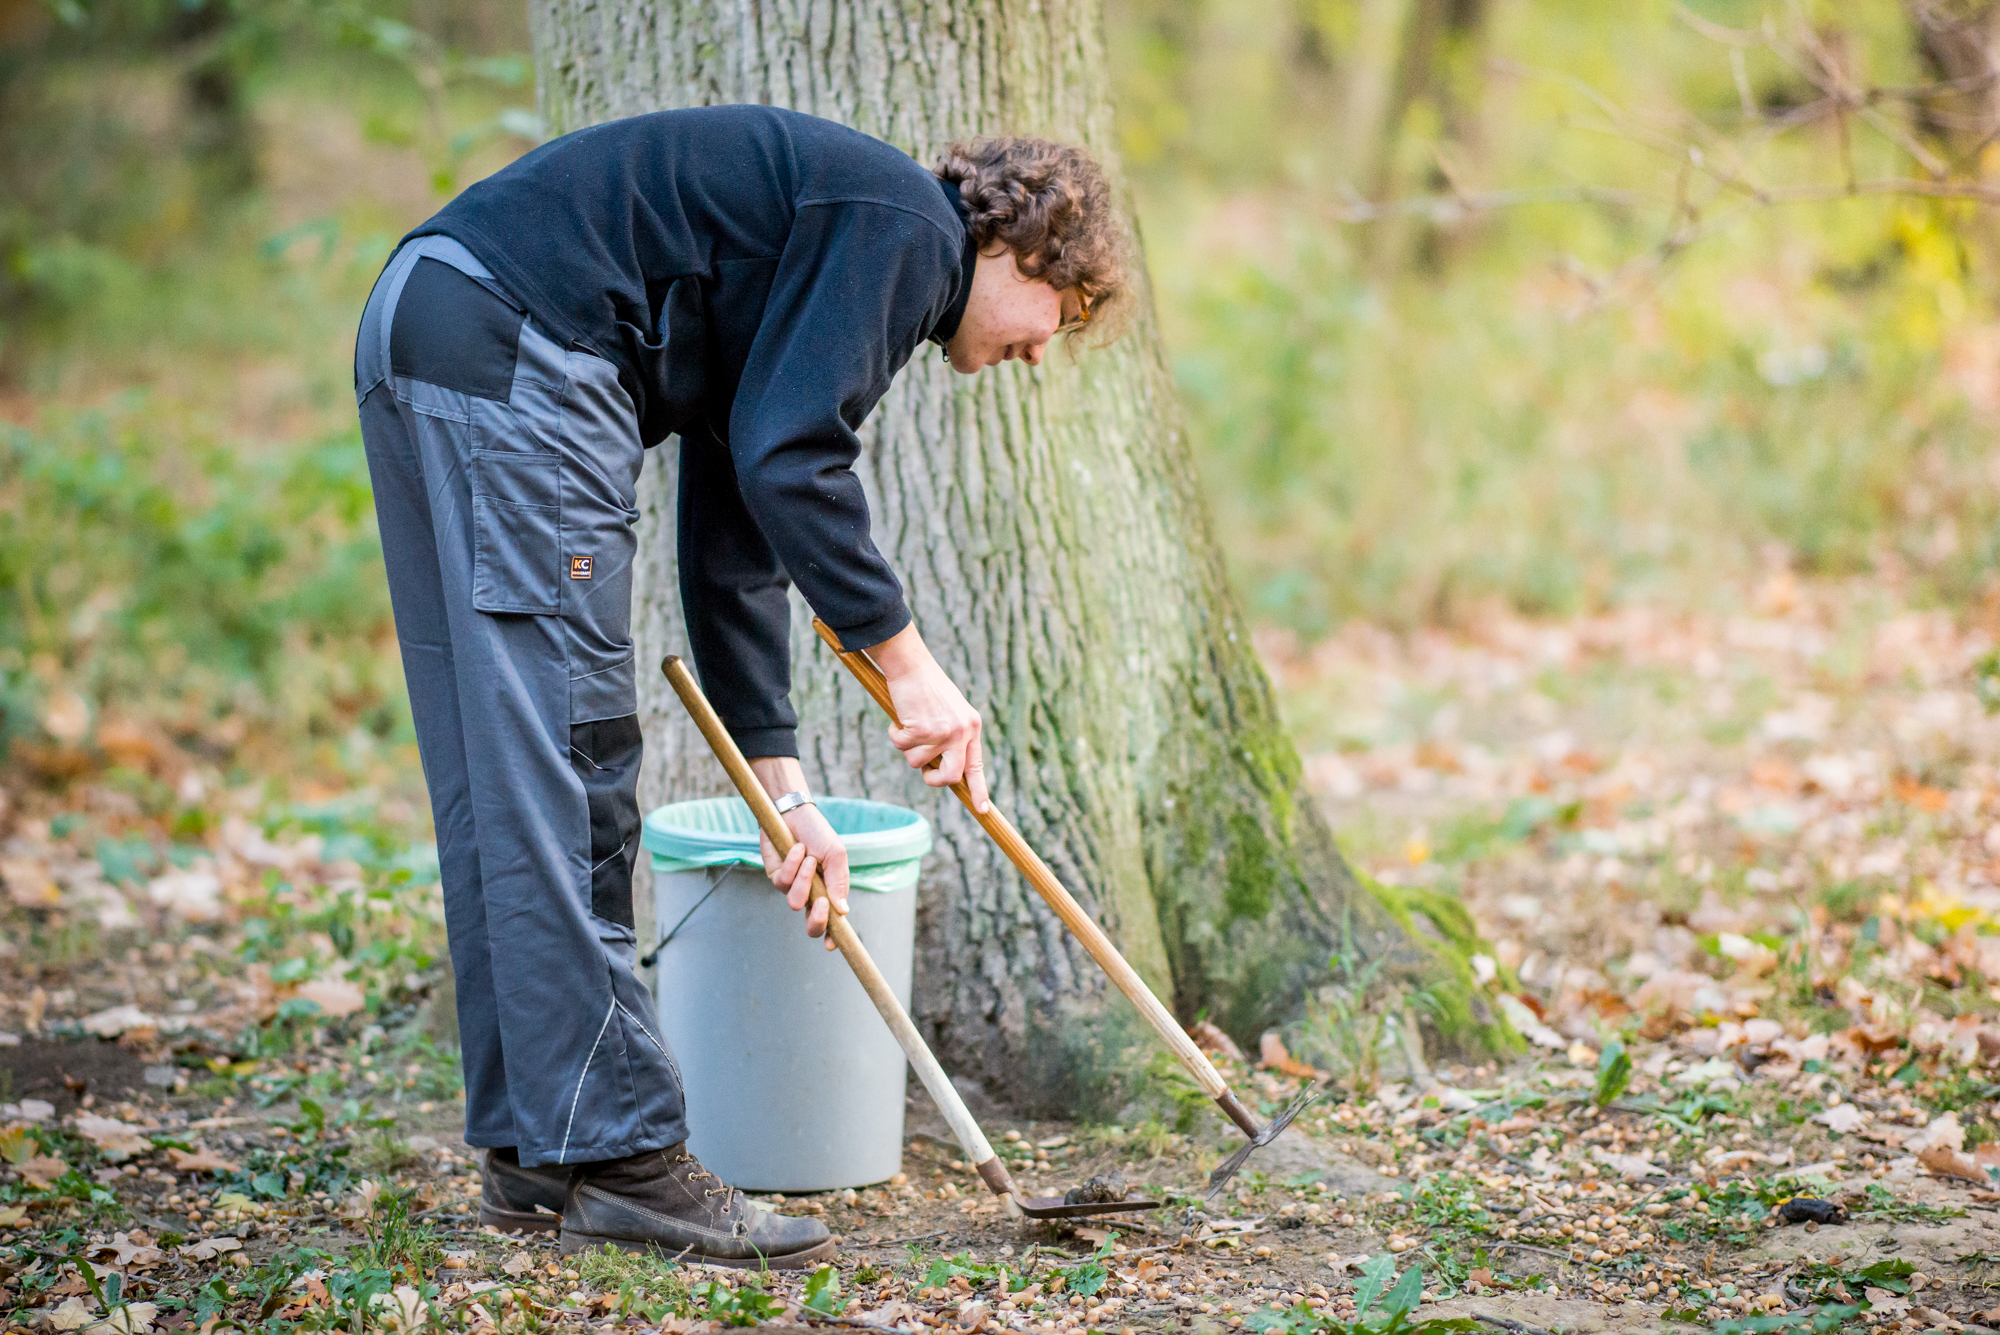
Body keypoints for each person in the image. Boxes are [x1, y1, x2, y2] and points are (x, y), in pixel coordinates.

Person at [352, 104, 1126, 1267]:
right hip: (519, 342)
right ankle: (623, 1159)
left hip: (426, 318)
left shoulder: (819, 255)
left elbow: (738, 530)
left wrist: (783, 796)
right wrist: (910, 669)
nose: (1038, 351)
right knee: (568, 762)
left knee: (500, 768)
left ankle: (536, 1145)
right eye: (1058, 311)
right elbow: (794, 460)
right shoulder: (909, 234)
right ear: (1017, 248)